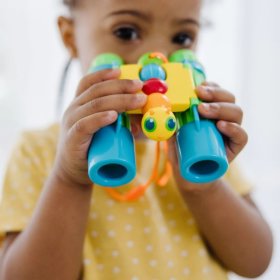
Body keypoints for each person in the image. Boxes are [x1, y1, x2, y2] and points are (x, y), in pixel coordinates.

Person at [0, 0, 273, 279]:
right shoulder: (38, 152)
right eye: (126, 32)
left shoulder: (202, 141)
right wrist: (69, 179)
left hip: (194, 139)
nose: (156, 57)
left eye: (182, 38)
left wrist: (205, 188)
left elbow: (254, 262)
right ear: (70, 37)